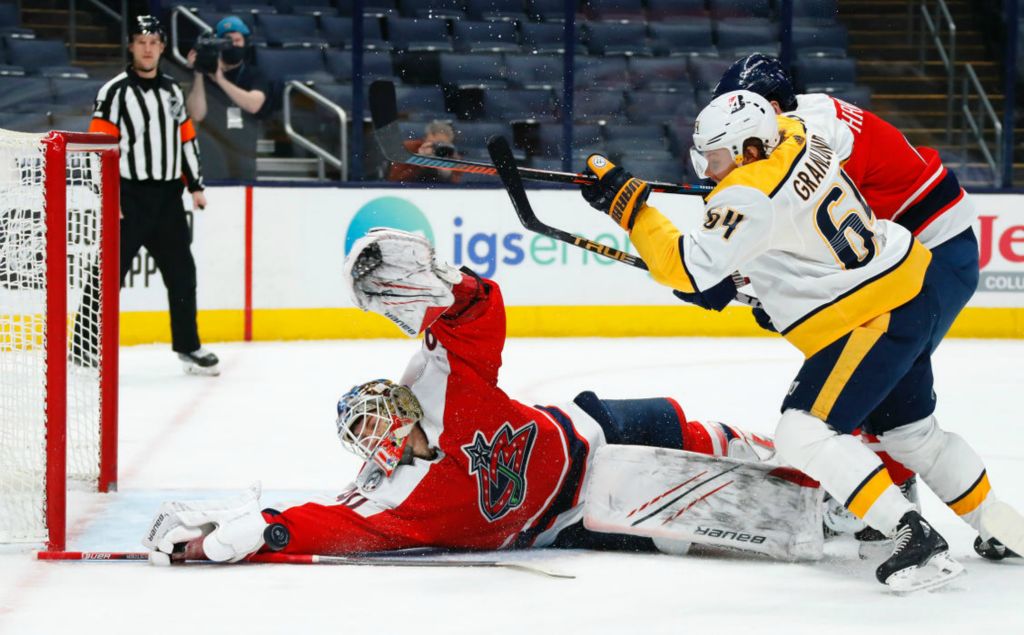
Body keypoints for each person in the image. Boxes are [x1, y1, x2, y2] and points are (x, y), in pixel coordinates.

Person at [575, 90, 1021, 590]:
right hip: (911, 286)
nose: (707, 171)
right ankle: (1000, 522)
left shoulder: (747, 192)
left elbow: (690, 268)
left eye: (716, 158)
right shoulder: (798, 135)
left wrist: (631, 211)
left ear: (746, 149)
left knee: (803, 430)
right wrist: (759, 286)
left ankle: (910, 534)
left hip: (873, 317)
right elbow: (790, 232)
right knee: (910, 434)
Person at [140, 228, 782, 564]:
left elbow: (478, 319)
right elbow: (336, 524)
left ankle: (792, 458)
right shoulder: (401, 496)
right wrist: (257, 530)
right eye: (367, 433)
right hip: (568, 522)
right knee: (691, 529)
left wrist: (453, 286)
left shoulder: (443, 387)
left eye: (379, 415)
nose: (381, 430)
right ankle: (800, 503)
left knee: (694, 433)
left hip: (589, 433)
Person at [712, 53, 980, 548]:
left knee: (877, 385)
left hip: (933, 248)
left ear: (771, 106)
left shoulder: (805, 136)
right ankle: (987, 519)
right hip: (928, 246)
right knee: (883, 390)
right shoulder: (799, 121)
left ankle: (893, 504)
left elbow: (810, 232)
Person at [84, 15, 219, 376]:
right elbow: (98, 150)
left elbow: (186, 139)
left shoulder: (173, 91)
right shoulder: (114, 92)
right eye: (140, 41)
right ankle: (85, 346)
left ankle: (189, 346)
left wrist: (196, 186)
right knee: (106, 275)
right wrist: (107, 197)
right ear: (130, 46)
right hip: (127, 199)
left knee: (182, 274)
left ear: (161, 47)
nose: (147, 48)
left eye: (153, 42)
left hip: (167, 201)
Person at [186, 16, 272, 181]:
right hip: (209, 157)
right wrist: (198, 73)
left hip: (243, 156)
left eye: (237, 40)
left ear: (245, 42)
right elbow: (196, 114)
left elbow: (254, 105)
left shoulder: (254, 74)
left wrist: (220, 79)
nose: (233, 44)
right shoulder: (205, 73)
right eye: (227, 40)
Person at [386, 120, 462, 183]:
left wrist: (446, 172)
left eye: (442, 145)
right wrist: (419, 162)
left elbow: (455, 187)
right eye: (433, 145)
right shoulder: (408, 149)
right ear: (424, 139)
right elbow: (394, 179)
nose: (436, 148)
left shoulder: (451, 155)